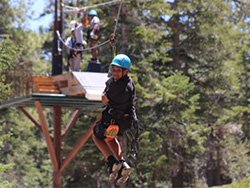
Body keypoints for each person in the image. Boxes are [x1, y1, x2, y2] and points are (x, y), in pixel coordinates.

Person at [92, 54, 137, 186]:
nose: (115, 73)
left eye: (118, 71)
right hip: (122, 123)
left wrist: (109, 84)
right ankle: (122, 162)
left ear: (125, 71)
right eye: (114, 69)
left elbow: (104, 99)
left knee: (96, 135)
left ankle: (111, 161)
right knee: (110, 139)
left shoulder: (116, 86)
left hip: (111, 122)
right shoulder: (130, 83)